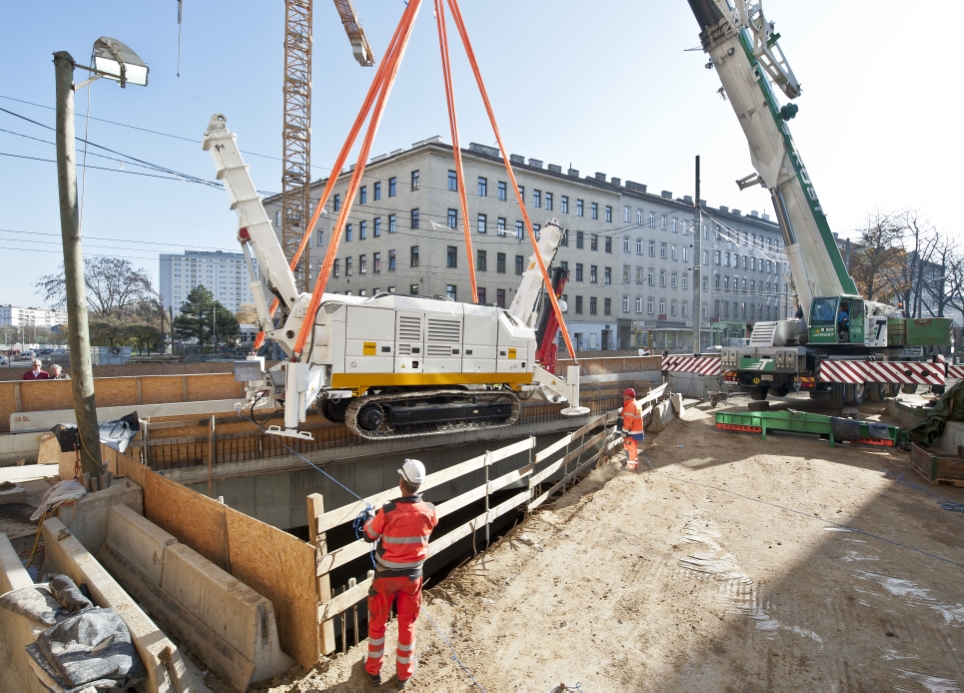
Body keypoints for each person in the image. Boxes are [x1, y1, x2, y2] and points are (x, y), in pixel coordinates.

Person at [362, 459, 438, 688]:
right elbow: (425, 521)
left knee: (378, 622)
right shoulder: (430, 510)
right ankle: (404, 673)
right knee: (407, 623)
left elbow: (369, 535)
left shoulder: (388, 511)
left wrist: (369, 518)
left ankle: (373, 670)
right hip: (413, 578)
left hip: (386, 577)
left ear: (401, 482)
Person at [621, 388, 645, 471]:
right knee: (634, 448)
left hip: (630, 431)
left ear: (628, 396)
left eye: (624, 395)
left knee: (629, 448)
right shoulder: (636, 404)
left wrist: (624, 431)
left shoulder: (630, 406)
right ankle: (635, 464)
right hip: (636, 430)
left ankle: (630, 467)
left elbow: (628, 420)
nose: (623, 396)